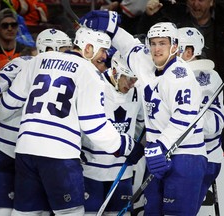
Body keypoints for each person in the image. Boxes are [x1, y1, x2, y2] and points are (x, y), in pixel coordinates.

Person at [0, 26, 141, 216]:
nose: (105, 56)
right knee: (71, 213)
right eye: (103, 50)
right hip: (59, 155)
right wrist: (126, 145)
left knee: (26, 213)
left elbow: (9, 102)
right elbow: (93, 125)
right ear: (88, 48)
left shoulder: (38, 61)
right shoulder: (89, 73)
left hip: (26, 150)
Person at [79, 12, 207, 215]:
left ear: (174, 46)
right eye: (153, 43)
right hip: (158, 154)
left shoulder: (180, 76)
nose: (157, 49)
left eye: (162, 43)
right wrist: (112, 28)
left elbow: (185, 116)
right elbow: (128, 46)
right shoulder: (147, 63)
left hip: (185, 157)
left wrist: (161, 145)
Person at [0, 28, 73, 216]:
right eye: (65, 50)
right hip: (11, 150)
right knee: (5, 210)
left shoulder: (74, 72)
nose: (68, 54)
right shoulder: (25, 63)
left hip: (39, 153)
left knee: (37, 211)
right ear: (50, 48)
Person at [137, 0, 224, 124]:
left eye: (200, 0)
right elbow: (148, 43)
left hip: (220, 95)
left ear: (211, 2)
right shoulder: (173, 19)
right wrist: (148, 17)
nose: (195, 4)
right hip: (177, 91)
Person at [82, 50, 145, 215]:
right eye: (129, 78)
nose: (132, 83)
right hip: (90, 171)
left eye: (135, 79)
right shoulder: (95, 85)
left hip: (122, 172)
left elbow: (141, 126)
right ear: (115, 71)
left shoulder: (138, 91)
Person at [177, 26, 224, 212]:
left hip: (203, 158)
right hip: (192, 157)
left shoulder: (210, 77)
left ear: (189, 51)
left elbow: (213, 126)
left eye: (177, 46)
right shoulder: (175, 74)